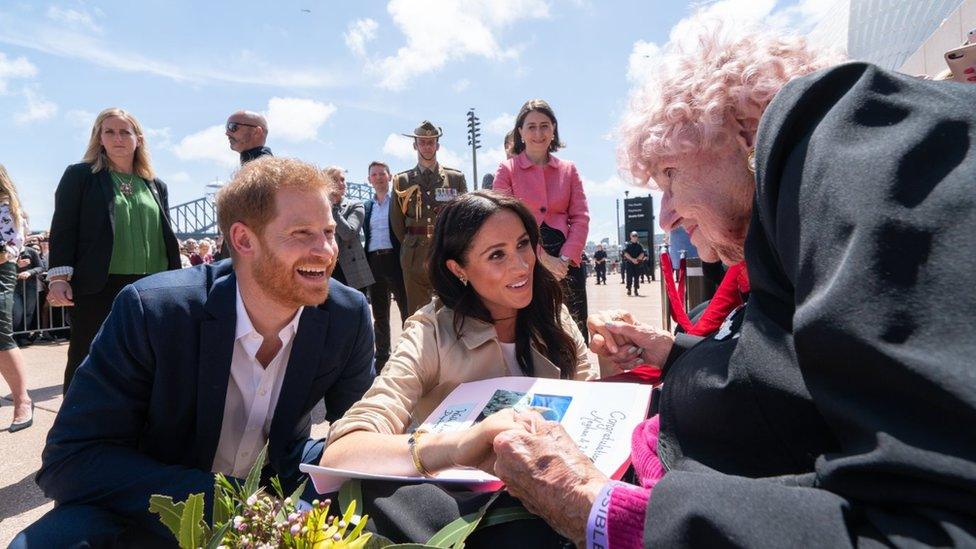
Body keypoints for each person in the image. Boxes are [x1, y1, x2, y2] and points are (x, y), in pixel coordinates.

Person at [482, 29, 976, 548]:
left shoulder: (860, 162)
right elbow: (811, 368)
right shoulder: (807, 179)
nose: (667, 212)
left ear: (742, 132)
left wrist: (599, 509)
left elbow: (937, 529)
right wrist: (675, 352)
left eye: (671, 174)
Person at [13, 157, 376, 548]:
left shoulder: (346, 314)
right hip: (148, 509)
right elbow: (71, 462)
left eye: (328, 231)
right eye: (302, 233)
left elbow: (358, 432)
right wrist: (241, 507)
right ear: (243, 240)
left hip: (277, 495)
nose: (325, 250)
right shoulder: (153, 311)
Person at [321, 191, 596, 542]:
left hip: (564, 493)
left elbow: (593, 402)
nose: (521, 265)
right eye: (497, 254)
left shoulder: (551, 312)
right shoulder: (430, 331)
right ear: (458, 269)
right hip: (474, 519)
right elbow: (344, 449)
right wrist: (459, 445)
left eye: (523, 244)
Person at [46, 107, 182, 393]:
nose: (117, 137)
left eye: (125, 131)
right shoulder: (80, 175)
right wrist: (59, 278)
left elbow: (165, 236)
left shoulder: (155, 185)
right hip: (99, 285)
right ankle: (76, 427)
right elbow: (64, 227)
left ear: (138, 139)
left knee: (147, 358)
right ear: (100, 138)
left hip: (152, 286)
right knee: (87, 356)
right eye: (109, 131)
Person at [493, 99, 591, 341]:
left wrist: (565, 259)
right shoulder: (506, 170)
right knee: (533, 329)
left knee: (574, 328)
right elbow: (502, 221)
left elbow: (581, 216)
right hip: (524, 256)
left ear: (554, 129)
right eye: (531, 126)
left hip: (567, 259)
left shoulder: (569, 169)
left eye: (545, 126)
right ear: (520, 132)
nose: (538, 133)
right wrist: (542, 257)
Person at [390, 120, 467, 315]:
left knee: (450, 311)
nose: (427, 146)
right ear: (415, 145)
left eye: (431, 142)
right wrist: (410, 243)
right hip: (413, 255)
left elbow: (462, 218)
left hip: (444, 252)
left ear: (437, 146)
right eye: (422, 142)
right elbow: (397, 222)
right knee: (417, 313)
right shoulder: (402, 180)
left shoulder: (455, 179)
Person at [363, 160, 407, 371]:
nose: (378, 177)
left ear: (390, 177)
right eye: (374, 174)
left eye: (382, 173)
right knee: (379, 314)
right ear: (369, 179)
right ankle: (382, 358)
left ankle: (409, 355)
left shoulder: (399, 202)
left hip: (395, 260)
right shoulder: (366, 206)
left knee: (406, 309)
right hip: (373, 262)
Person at [0, 164, 32, 432]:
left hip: (1, 267)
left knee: (1, 332)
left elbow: (12, 245)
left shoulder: (8, 204)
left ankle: (22, 400)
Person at [325, 166, 374, 293]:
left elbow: (348, 233)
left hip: (353, 270)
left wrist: (334, 207)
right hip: (328, 267)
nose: (341, 183)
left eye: (342, 180)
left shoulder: (356, 205)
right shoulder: (318, 209)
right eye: (335, 180)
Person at [622, 231, 645, 296]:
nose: (635, 237)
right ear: (630, 236)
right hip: (629, 264)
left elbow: (642, 253)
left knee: (636, 277)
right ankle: (629, 289)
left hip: (637, 264)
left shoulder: (640, 245)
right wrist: (632, 259)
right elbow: (625, 253)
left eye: (636, 236)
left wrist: (637, 259)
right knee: (629, 277)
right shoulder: (627, 245)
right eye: (633, 236)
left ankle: (636, 290)